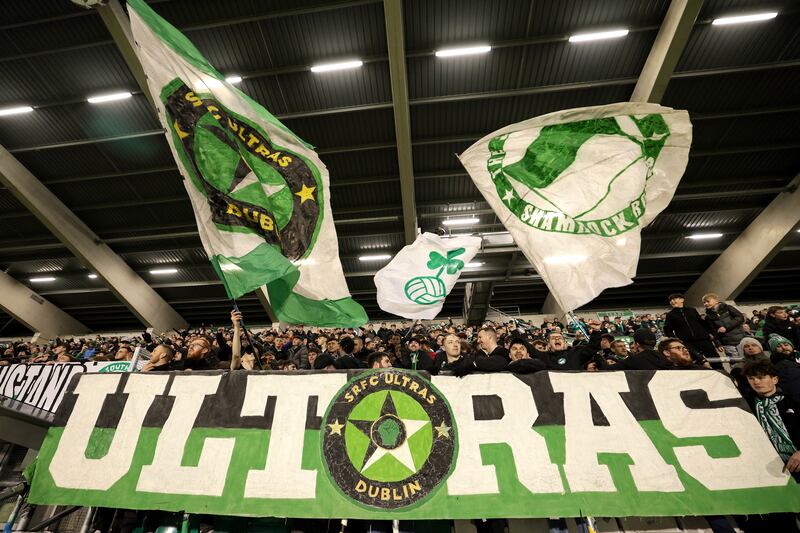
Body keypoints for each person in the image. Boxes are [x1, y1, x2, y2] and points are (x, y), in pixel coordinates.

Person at [740, 361, 800, 531]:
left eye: (761, 377)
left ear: (774, 379)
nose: (756, 382)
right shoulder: (746, 406)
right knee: (783, 519)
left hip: (797, 463)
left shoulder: (793, 401)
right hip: (769, 468)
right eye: (751, 378)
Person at [664, 293, 716, 362]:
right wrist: (676, 339)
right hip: (688, 343)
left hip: (704, 340)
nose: (672, 301)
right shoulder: (670, 315)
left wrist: (710, 333)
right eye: (670, 300)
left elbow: (701, 323)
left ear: (682, 300)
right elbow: (667, 329)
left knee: (715, 360)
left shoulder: (692, 310)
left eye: (674, 299)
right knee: (697, 363)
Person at [703, 293, 746, 359]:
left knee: (747, 360)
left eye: (708, 301)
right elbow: (713, 331)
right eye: (704, 302)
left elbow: (740, 317)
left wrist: (726, 327)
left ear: (716, 301)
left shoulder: (728, 307)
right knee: (735, 363)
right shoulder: (708, 317)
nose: (705, 304)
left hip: (740, 339)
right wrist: (718, 344)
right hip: (727, 343)